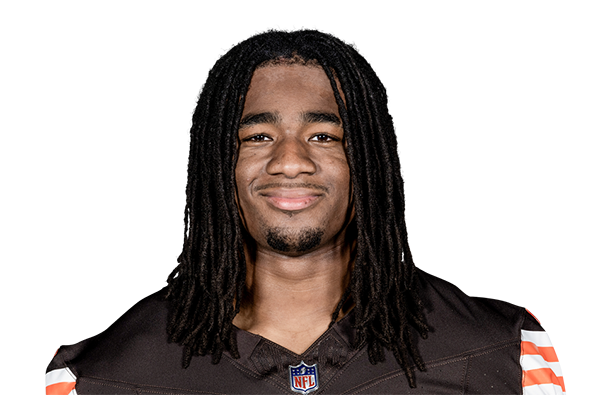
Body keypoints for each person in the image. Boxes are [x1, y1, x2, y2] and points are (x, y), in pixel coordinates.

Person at [46, 25, 561, 394]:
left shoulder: (521, 361)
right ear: (216, 163)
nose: (290, 161)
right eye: (258, 136)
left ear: (371, 161)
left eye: (323, 135)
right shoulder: (87, 381)